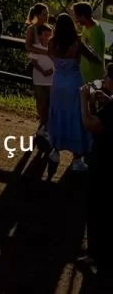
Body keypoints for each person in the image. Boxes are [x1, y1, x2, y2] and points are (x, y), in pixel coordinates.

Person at [47, 13, 95, 171]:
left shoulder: (52, 43)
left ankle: (55, 150)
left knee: (58, 113)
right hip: (74, 83)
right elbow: (93, 57)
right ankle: (76, 159)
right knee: (76, 115)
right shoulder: (77, 43)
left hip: (58, 82)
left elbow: (52, 57)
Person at [79, 62, 113, 280]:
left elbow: (91, 124)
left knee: (98, 210)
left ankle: (99, 260)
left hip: (104, 164)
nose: (104, 79)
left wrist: (84, 100)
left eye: (107, 76)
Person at [72, 2, 106, 84]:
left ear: (83, 16)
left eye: (76, 16)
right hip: (85, 73)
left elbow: (93, 55)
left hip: (93, 75)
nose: (75, 19)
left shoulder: (95, 32)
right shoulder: (87, 26)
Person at [30, 23, 54, 139]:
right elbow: (34, 62)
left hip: (51, 79)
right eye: (46, 35)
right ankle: (42, 121)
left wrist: (51, 70)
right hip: (39, 78)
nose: (48, 37)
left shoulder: (53, 48)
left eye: (50, 35)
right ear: (40, 36)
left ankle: (48, 123)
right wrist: (43, 71)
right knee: (41, 101)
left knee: (50, 101)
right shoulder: (36, 47)